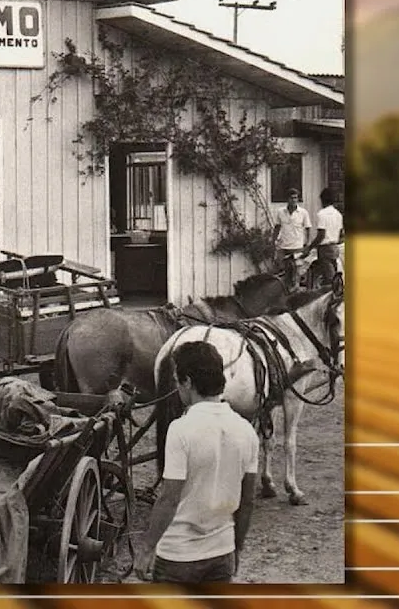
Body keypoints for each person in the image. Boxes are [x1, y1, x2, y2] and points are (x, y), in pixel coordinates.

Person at [134, 341, 259, 584]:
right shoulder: (246, 430)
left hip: (178, 556)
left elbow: (169, 499)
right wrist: (238, 548)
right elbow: (248, 500)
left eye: (177, 381)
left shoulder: (180, 429)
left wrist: (148, 547)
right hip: (222, 552)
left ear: (188, 382)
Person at [302, 187, 344, 286]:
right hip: (335, 248)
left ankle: (329, 297)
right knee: (333, 275)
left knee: (329, 278)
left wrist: (310, 247)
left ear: (322, 200)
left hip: (325, 249)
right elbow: (341, 234)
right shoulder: (338, 214)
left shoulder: (322, 214)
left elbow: (321, 235)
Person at [272, 188, 312, 287]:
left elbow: (308, 228)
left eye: (296, 198)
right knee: (282, 271)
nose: (294, 200)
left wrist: (307, 243)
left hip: (297, 247)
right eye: (292, 198)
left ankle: (296, 291)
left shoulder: (303, 212)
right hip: (283, 246)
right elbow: (277, 227)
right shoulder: (280, 212)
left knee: (297, 272)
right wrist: (273, 241)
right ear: (287, 199)